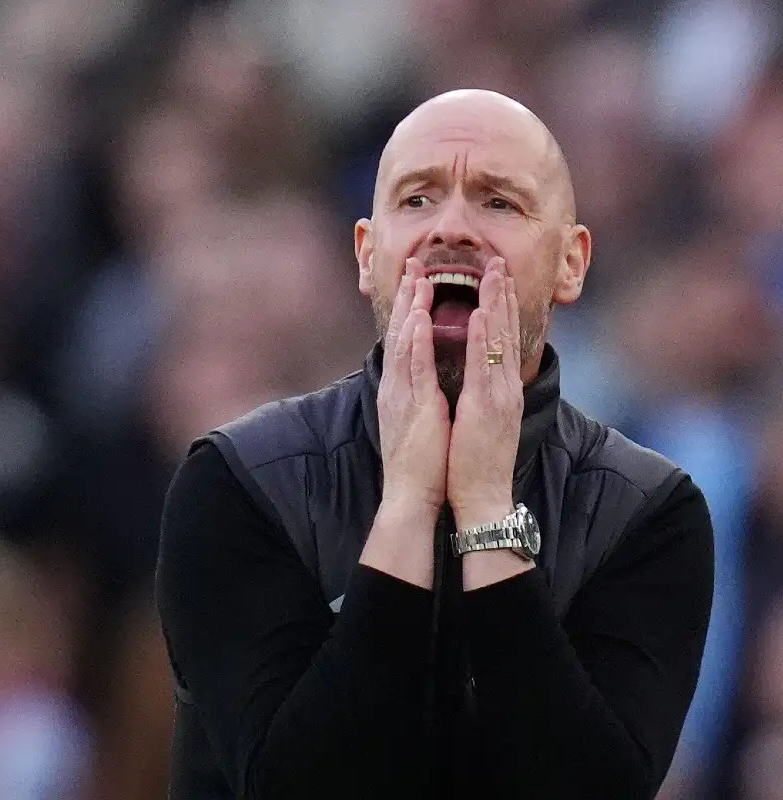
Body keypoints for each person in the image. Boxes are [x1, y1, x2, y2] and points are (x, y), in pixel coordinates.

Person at [155, 89, 714, 799]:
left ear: (571, 263)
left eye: (499, 203)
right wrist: (409, 505)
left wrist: (483, 508)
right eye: (417, 200)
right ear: (367, 255)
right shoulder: (241, 482)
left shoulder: (648, 514)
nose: (452, 227)